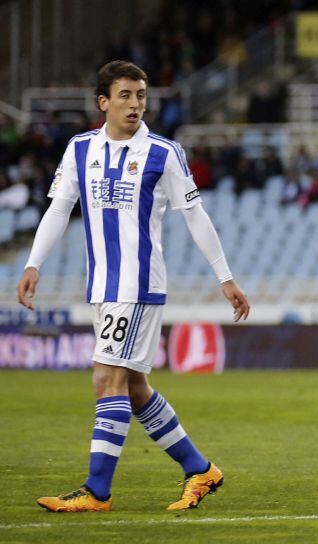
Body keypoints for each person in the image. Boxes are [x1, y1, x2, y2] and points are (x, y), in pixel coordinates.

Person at [16, 61, 250, 512]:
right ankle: (200, 469)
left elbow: (195, 216)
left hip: (138, 284)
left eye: (141, 95)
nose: (135, 104)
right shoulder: (80, 148)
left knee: (106, 379)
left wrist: (225, 277)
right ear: (103, 102)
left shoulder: (164, 152)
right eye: (125, 95)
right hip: (102, 286)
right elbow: (60, 208)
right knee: (136, 388)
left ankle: (97, 491)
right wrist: (33, 263)